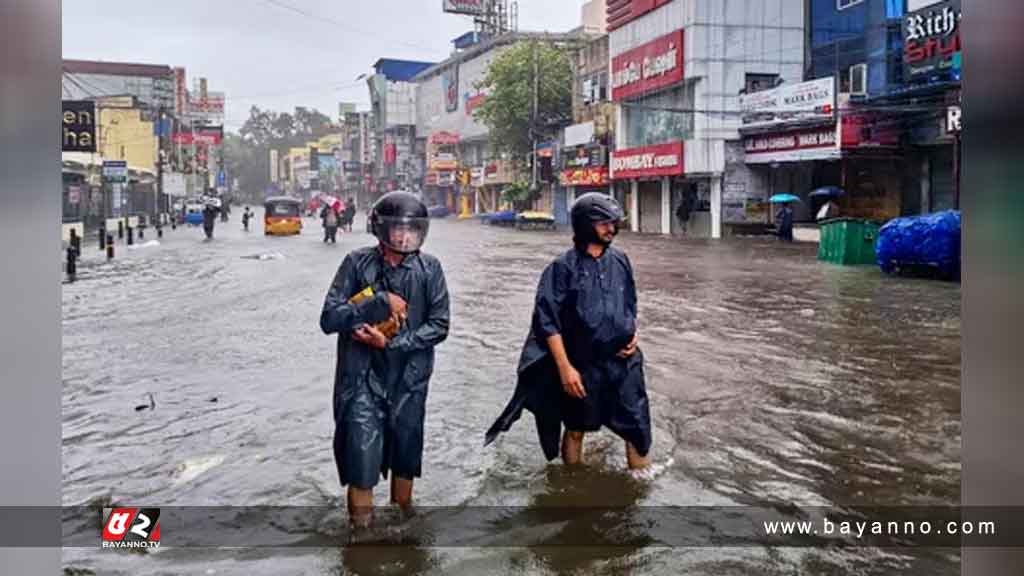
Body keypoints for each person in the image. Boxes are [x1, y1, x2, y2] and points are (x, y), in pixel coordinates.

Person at [485, 193, 652, 470]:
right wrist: (565, 369)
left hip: (624, 362)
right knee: (576, 428)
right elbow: (546, 322)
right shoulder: (561, 268)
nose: (611, 228)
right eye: (603, 223)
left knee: (638, 429)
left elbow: (629, 303)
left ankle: (641, 486)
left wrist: (633, 334)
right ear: (585, 225)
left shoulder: (621, 260)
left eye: (613, 222)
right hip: (582, 365)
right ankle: (572, 481)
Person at [319, 191, 450, 529]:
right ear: (382, 229)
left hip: (410, 381)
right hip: (361, 379)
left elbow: (439, 325)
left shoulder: (430, 269)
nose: (405, 237)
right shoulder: (355, 263)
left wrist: (390, 343)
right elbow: (329, 319)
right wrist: (378, 301)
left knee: (405, 460)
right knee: (361, 464)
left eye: (412, 229)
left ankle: (403, 532)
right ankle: (360, 537)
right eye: (398, 229)